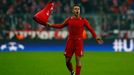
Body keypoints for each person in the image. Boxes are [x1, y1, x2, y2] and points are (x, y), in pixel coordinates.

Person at [47, 4, 103, 75]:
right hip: (70, 41)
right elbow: (60, 26)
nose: (77, 10)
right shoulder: (69, 19)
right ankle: (72, 72)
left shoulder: (83, 20)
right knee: (67, 61)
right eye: (75, 9)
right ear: (73, 11)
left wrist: (96, 37)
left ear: (80, 11)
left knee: (78, 60)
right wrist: (51, 25)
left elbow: (91, 29)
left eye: (78, 9)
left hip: (79, 42)